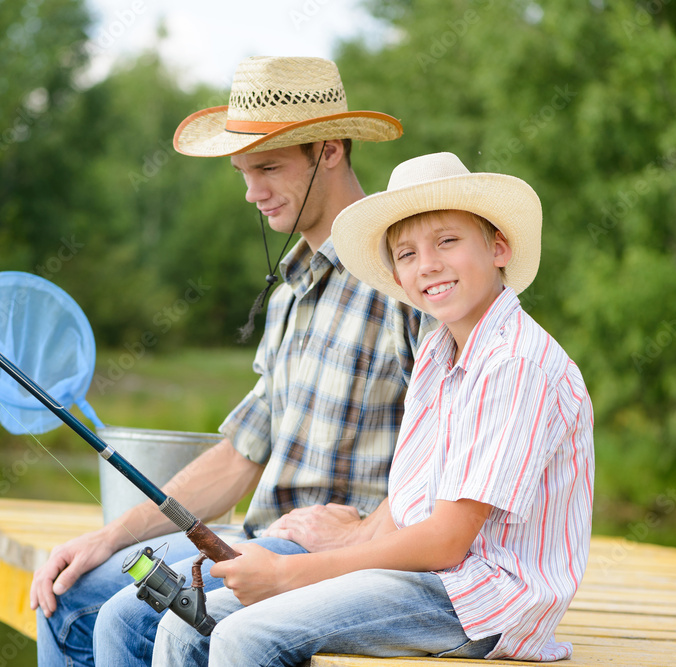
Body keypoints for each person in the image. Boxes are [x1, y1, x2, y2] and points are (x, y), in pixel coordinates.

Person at [31, 56, 433, 666]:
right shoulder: (289, 295)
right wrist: (108, 536)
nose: (252, 192)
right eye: (243, 172)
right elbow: (240, 455)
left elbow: (452, 450)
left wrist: (360, 533)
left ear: (329, 150)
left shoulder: (407, 275)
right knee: (69, 595)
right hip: (254, 538)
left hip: (340, 555)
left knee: (130, 620)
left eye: (268, 167)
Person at [152, 152, 595, 665]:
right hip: (426, 579)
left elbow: (448, 541)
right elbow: (415, 500)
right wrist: (325, 550)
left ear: (499, 246)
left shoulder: (515, 363)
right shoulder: (440, 351)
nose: (427, 264)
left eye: (447, 241)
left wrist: (288, 575)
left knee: (244, 636)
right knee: (187, 626)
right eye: (406, 254)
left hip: (482, 601)